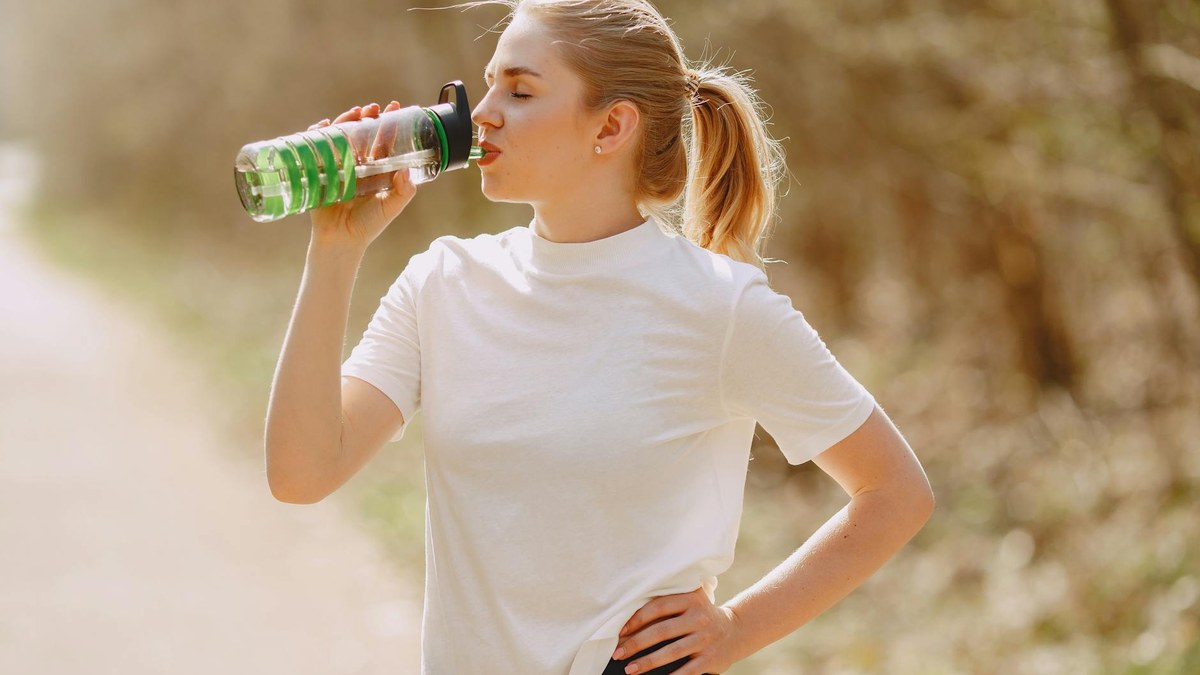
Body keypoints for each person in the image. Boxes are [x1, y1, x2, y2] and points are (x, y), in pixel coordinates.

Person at [264, 1, 935, 673]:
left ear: (611, 126)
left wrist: (735, 628)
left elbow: (894, 492)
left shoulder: (719, 305)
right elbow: (302, 472)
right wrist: (335, 248)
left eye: (520, 90)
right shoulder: (442, 283)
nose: (485, 112)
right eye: (488, 83)